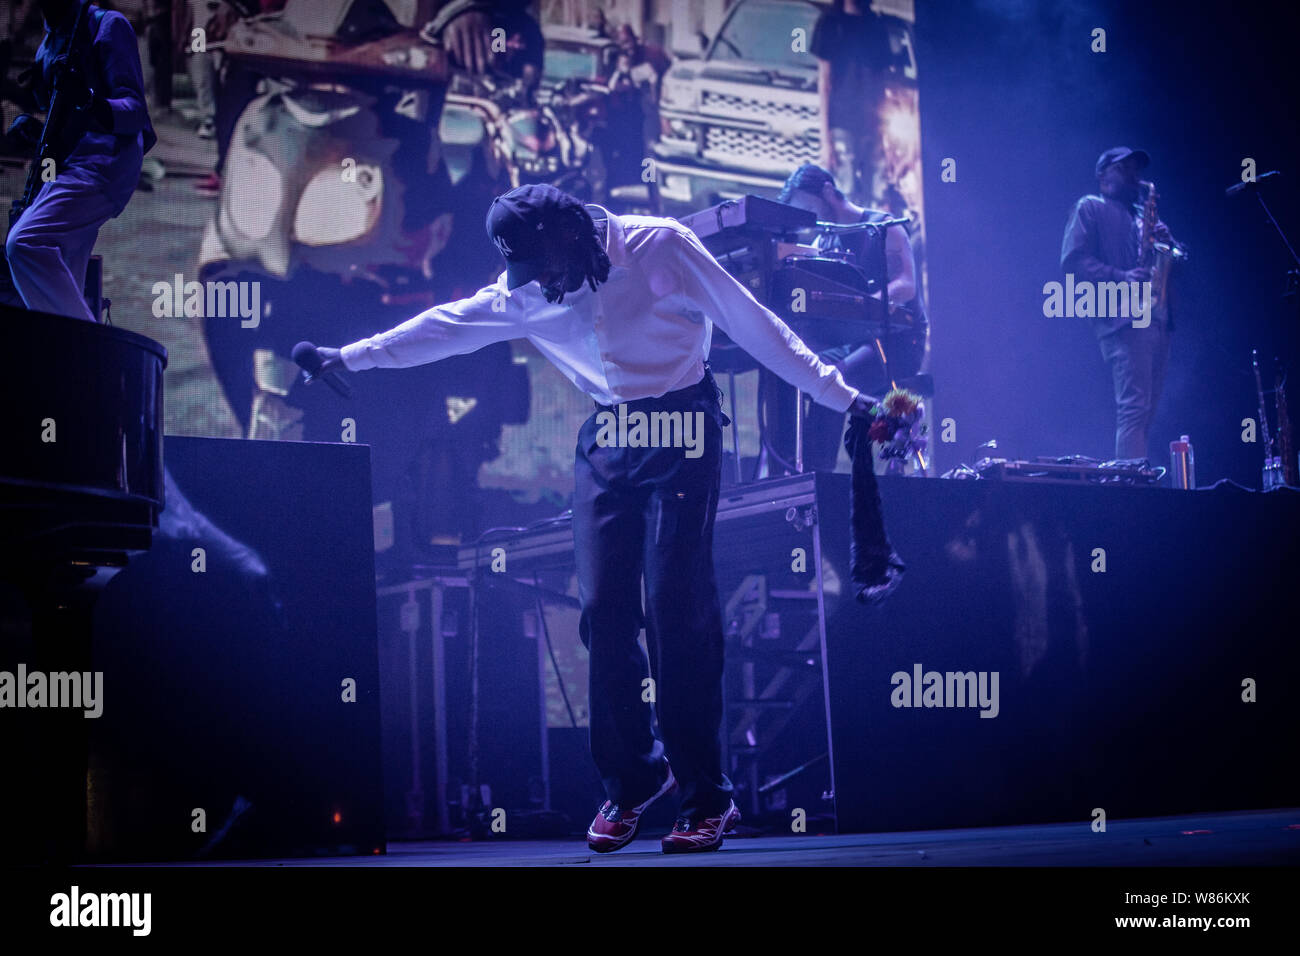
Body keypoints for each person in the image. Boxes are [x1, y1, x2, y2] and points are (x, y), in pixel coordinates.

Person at [312, 184, 890, 853]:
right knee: (604, 612)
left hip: (682, 423)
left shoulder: (660, 247)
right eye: (526, 275)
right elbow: (442, 328)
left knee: (677, 606)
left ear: (573, 237)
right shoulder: (528, 291)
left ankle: (706, 797)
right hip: (609, 434)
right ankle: (635, 779)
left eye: (545, 267)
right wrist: (346, 357)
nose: (541, 286)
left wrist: (841, 395)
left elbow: (754, 322)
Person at [5, 0, 155, 323]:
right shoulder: (49, 43)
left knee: (24, 244)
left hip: (104, 165)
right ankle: (79, 361)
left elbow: (135, 111)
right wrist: (34, 130)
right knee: (64, 282)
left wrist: (89, 101)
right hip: (69, 167)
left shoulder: (108, 26)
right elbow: (61, 120)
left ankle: (93, 349)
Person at [774, 162, 924, 473]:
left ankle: (820, 475)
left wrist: (864, 305)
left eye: (808, 207)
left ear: (827, 190)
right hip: (854, 341)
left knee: (832, 377)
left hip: (898, 341)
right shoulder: (823, 242)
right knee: (803, 369)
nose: (810, 219)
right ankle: (800, 472)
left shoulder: (882, 227)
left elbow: (906, 285)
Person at [1061, 147, 1178, 460]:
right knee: (1134, 410)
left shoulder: (1142, 216)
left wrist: (1168, 243)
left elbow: (1178, 259)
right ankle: (1131, 487)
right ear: (1103, 177)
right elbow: (1073, 262)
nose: (1133, 176)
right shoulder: (1090, 206)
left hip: (1155, 318)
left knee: (1146, 413)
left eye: (1136, 170)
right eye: (1124, 168)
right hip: (1122, 318)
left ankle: (1133, 473)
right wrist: (1120, 276)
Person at [809, 0, 893, 204]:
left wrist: (884, 134)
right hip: (842, 123)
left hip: (871, 125)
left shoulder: (876, 25)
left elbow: (881, 83)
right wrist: (825, 139)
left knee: (874, 197)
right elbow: (825, 82)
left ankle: (867, 236)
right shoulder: (829, 23)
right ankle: (846, 236)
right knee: (844, 193)